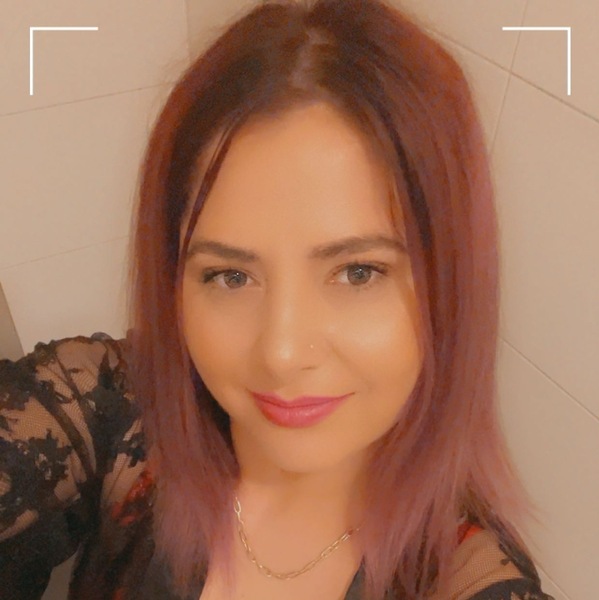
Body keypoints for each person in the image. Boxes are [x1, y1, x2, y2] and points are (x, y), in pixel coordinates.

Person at [0, 1, 556, 599]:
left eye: (358, 273)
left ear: (451, 287)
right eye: (230, 276)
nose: (282, 353)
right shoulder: (112, 407)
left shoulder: (469, 580)